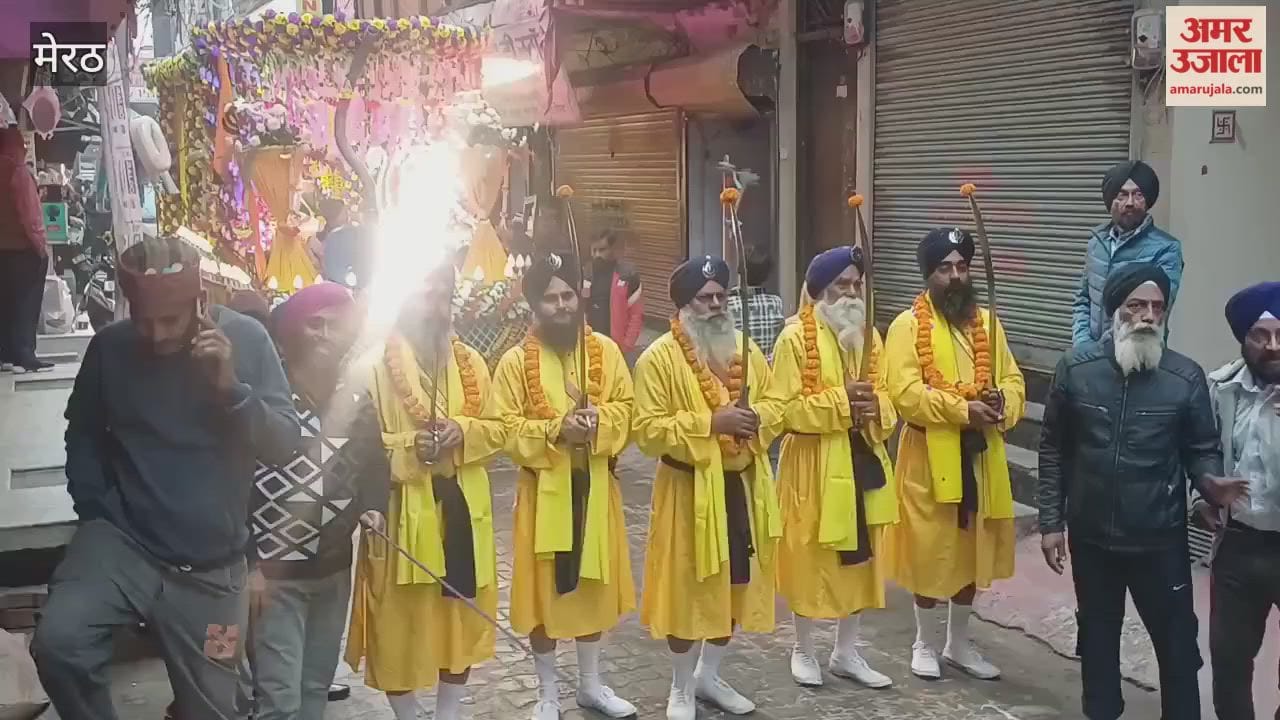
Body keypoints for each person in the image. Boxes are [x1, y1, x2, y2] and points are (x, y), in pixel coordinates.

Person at [32, 235, 298, 720]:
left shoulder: (248, 341)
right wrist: (93, 510)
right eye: (142, 318)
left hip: (211, 562)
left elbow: (284, 443)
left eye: (169, 320)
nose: (154, 335)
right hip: (123, 543)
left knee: (211, 711)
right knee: (59, 643)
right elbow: (84, 430)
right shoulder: (111, 348)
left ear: (200, 300)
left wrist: (230, 389)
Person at [1038, 262, 1244, 720]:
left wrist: (1209, 485)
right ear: (1115, 311)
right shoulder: (1077, 368)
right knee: (1096, 640)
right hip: (1092, 538)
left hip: (1159, 540)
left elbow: (1201, 449)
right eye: (1136, 305)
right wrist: (1051, 523)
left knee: (1176, 648)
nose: (1148, 316)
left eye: (1157, 307)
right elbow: (1053, 448)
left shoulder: (1185, 377)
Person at [344, 261, 508, 720]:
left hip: (462, 506)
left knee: (458, 619)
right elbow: (358, 447)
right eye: (425, 290)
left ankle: (449, 714)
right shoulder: (375, 365)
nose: (435, 301)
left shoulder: (471, 362)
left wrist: (463, 429)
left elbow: (499, 430)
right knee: (397, 623)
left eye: (443, 292)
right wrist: (409, 446)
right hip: (399, 512)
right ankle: (407, 715)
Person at [633, 256, 783, 720]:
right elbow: (648, 431)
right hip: (687, 489)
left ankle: (709, 675)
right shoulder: (658, 357)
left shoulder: (745, 349)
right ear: (683, 306)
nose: (716, 305)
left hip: (742, 485)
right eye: (705, 297)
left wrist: (757, 419)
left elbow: (778, 403)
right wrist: (709, 423)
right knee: (687, 592)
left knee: (734, 588)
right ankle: (680, 687)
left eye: (722, 296)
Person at [491, 252, 638, 720]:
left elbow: (628, 411)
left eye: (567, 295)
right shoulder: (515, 363)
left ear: (580, 298)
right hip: (543, 493)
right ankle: (547, 693)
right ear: (534, 305)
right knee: (543, 597)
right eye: (550, 298)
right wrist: (557, 430)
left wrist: (600, 422)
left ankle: (592, 686)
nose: (561, 305)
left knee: (592, 590)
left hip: (596, 486)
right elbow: (504, 430)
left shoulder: (606, 352)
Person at [881, 228, 1026, 681]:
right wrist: (963, 408)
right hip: (930, 453)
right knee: (931, 550)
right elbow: (904, 394)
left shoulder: (989, 323)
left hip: (981, 454)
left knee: (970, 551)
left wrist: (1003, 405)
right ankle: (924, 642)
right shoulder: (907, 326)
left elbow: (1014, 380)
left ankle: (958, 643)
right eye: (945, 268)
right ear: (929, 275)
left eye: (962, 266)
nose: (955, 276)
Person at [244, 282, 389, 720]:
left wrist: (373, 505)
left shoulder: (356, 399)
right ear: (289, 334)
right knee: (279, 703)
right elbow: (231, 487)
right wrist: (247, 564)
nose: (326, 334)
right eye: (315, 324)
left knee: (313, 692)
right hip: (274, 578)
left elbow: (375, 462)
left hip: (332, 571)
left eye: (336, 325)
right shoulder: (262, 401)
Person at [767, 246, 896, 689]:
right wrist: (844, 401)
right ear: (818, 291)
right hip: (813, 464)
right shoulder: (793, 338)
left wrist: (874, 405)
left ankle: (846, 651)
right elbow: (783, 410)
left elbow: (890, 396)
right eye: (842, 284)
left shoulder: (870, 336)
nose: (851, 292)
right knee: (810, 557)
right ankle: (803, 650)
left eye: (856, 283)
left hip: (864, 457)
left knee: (862, 559)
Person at [1199, 281, 1280, 719]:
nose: (1272, 346)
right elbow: (1202, 451)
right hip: (1239, 545)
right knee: (1230, 662)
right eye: (1260, 336)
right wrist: (1203, 496)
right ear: (1243, 340)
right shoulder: (1220, 389)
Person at [1072, 160, 1184, 346]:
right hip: (1091, 353)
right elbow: (1083, 299)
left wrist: (1102, 350)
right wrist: (1083, 345)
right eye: (1122, 195)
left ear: (1147, 201)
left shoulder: (1166, 249)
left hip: (1140, 351)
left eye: (1138, 195)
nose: (1130, 202)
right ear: (1111, 201)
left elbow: (1156, 309)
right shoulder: (1096, 243)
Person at [0, 128, 52, 373]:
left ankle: (5, 354)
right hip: (22, 248)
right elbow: (30, 214)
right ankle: (24, 353)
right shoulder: (18, 172)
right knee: (26, 302)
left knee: (5, 302)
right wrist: (41, 247)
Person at [584, 229, 644, 356]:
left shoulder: (628, 275)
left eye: (601, 250)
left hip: (616, 347)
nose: (596, 255)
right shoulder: (586, 273)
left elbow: (636, 315)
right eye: (593, 250)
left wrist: (627, 345)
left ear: (613, 249)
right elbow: (580, 306)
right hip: (590, 343)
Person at [726, 244, 785, 363]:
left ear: (739, 270)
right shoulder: (776, 303)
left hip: (738, 371)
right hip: (768, 372)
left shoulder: (728, 305)